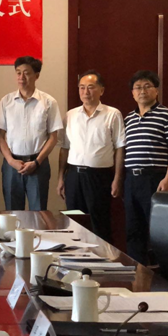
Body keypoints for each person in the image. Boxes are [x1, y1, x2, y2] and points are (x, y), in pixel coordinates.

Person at [57, 70, 125, 243]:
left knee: (99, 222)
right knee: (74, 221)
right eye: (82, 87)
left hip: (99, 177)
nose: (85, 92)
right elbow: (64, 148)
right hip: (73, 176)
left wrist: (117, 178)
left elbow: (119, 148)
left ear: (101, 90)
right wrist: (61, 178)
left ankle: (103, 257)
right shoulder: (70, 115)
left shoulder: (112, 114)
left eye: (91, 87)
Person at [0, 56, 62, 211]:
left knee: (38, 212)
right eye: (18, 73)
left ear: (36, 76)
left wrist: (37, 162)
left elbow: (53, 137)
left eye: (26, 73)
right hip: (12, 165)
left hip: (38, 164)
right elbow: (0, 135)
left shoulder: (48, 102)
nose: (21, 77)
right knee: (12, 213)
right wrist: (11, 160)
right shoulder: (6, 101)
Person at [123, 70, 168, 264]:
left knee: (157, 230)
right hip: (131, 180)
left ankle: (161, 274)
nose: (142, 91)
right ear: (132, 93)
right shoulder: (128, 118)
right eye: (138, 88)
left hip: (154, 179)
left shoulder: (167, 115)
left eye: (147, 87)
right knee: (133, 229)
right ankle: (137, 271)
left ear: (156, 91)